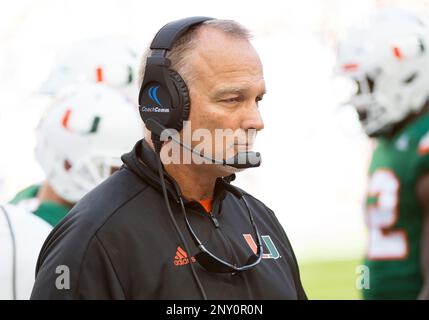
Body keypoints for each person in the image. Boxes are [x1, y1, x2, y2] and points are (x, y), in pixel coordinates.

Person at [31, 17, 307, 300]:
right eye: (233, 99)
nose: (256, 121)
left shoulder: (260, 219)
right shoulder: (93, 239)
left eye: (257, 99)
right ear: (164, 106)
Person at [0, 83, 143, 299]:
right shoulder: (80, 238)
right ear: (67, 164)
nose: (124, 179)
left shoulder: (25, 200)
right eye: (113, 169)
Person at [336, 8, 429, 299]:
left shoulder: (422, 142)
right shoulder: (393, 140)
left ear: (407, 75)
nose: (358, 99)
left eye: (367, 84)